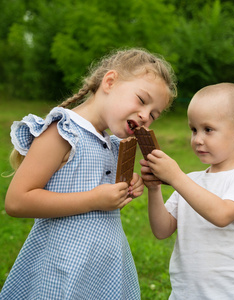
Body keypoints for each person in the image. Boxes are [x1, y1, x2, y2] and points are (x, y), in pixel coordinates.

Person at [1, 48, 177, 299]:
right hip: (62, 265)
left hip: (102, 269)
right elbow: (17, 202)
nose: (145, 116)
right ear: (109, 82)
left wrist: (124, 190)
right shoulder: (63, 132)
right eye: (141, 100)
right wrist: (94, 199)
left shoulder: (115, 145)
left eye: (153, 115)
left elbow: (99, 209)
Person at [140, 83, 234, 299]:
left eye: (208, 130)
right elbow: (162, 230)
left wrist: (176, 177)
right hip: (185, 293)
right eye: (193, 129)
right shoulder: (191, 181)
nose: (197, 139)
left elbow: (222, 214)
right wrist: (154, 189)